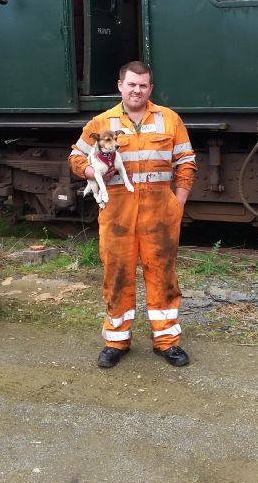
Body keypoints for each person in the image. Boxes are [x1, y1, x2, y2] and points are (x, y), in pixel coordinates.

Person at [68, 61, 197, 368]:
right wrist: (90, 171)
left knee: (163, 274)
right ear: (120, 86)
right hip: (117, 216)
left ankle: (166, 341)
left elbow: (187, 163)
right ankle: (116, 340)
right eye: (132, 84)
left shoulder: (170, 119)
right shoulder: (102, 122)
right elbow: (75, 157)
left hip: (160, 215)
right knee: (116, 275)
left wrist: (177, 204)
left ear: (150, 88)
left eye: (143, 85)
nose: (137, 90)